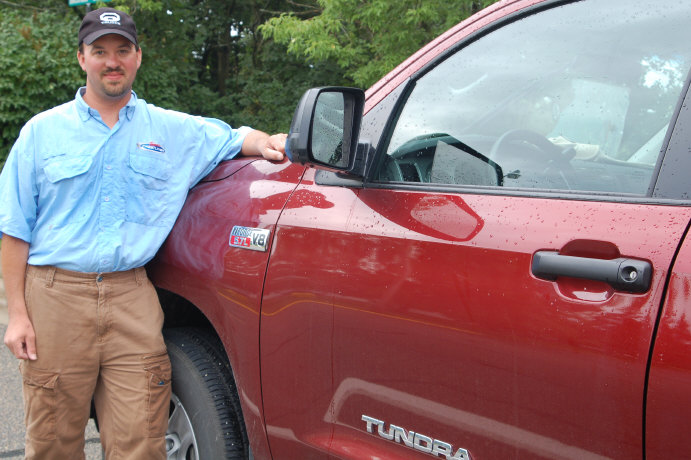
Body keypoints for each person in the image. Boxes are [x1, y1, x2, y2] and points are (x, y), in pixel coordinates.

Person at [0, 7, 286, 459]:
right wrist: (18, 314)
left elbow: (234, 138)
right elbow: (14, 229)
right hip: (56, 297)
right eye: (100, 51)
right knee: (53, 442)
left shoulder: (169, 129)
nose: (112, 61)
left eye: (122, 50)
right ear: (82, 58)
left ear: (137, 57)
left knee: (142, 441)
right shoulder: (41, 133)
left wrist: (270, 142)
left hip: (131, 297)